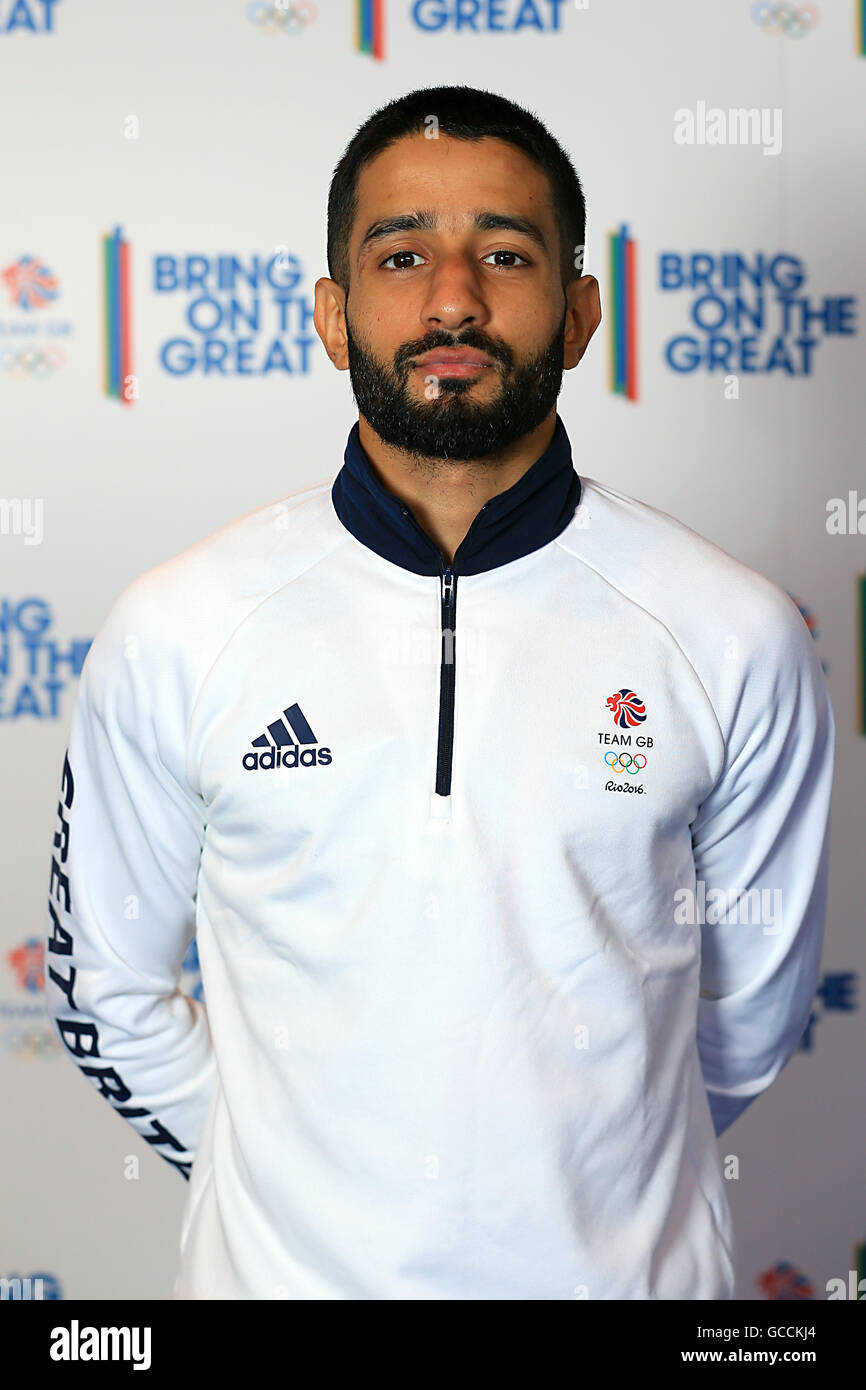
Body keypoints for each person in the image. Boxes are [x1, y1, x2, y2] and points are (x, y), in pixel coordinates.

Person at [45, 85, 835, 1300]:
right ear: (331, 312)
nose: (453, 297)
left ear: (578, 314)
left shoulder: (729, 632)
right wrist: (296, 1190)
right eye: (401, 252)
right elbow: (107, 987)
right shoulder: (179, 627)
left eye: (504, 254)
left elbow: (745, 1018)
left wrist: (578, 1193)